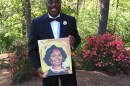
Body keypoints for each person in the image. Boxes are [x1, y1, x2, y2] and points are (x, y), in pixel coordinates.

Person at [28, 0, 81, 86]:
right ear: (46, 4)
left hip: (67, 67)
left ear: (60, 4)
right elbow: (32, 48)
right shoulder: (36, 23)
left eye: (57, 2)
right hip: (47, 69)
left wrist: (73, 41)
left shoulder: (70, 20)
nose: (54, 5)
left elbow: (77, 38)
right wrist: (38, 67)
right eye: (50, 2)